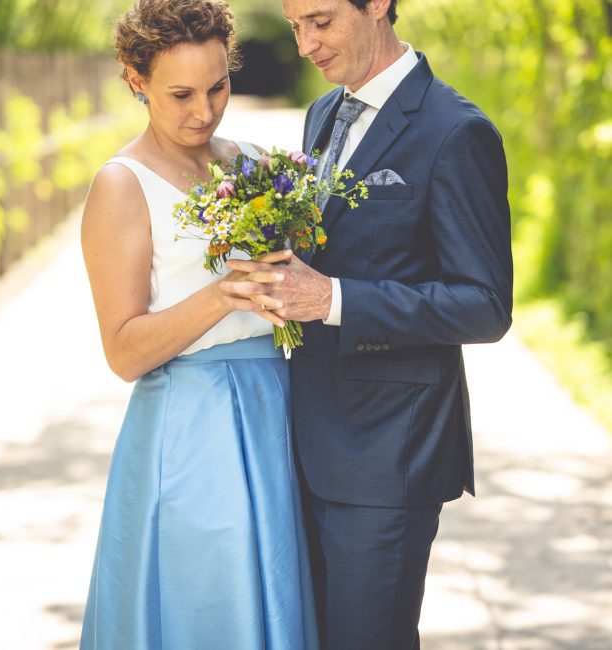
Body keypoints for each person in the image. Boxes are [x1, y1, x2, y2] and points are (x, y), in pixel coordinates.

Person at [220, 0, 514, 648]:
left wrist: (334, 299)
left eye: (319, 21)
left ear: (378, 4)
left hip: (390, 453)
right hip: (304, 437)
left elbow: (485, 304)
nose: (304, 45)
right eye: (295, 25)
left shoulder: (455, 130)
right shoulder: (324, 113)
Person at [78, 1, 318, 648]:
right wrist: (224, 294)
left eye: (218, 87)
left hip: (277, 413)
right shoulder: (121, 186)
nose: (204, 111)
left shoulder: (251, 164)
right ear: (136, 81)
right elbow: (124, 353)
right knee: (203, 610)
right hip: (189, 431)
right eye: (180, 93)